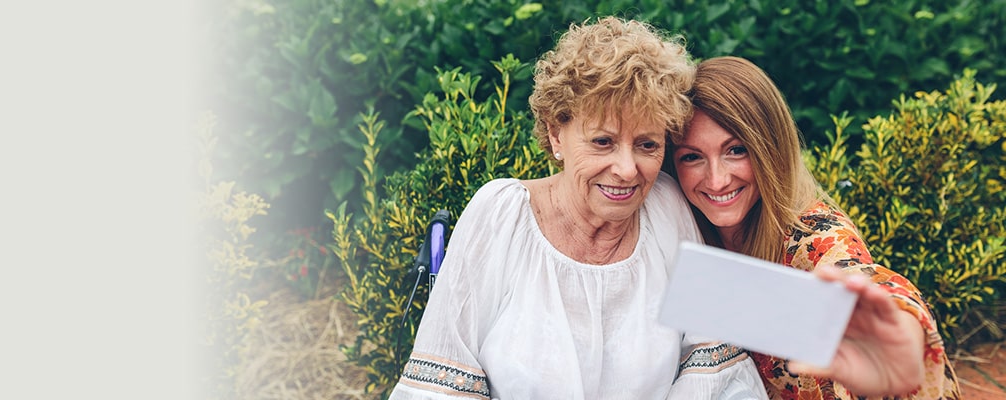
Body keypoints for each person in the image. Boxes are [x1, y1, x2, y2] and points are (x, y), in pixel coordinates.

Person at [388, 17, 765, 399]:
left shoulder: (665, 206)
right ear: (556, 134)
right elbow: (438, 388)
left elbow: (719, 372)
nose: (626, 169)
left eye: (647, 145)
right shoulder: (501, 214)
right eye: (603, 141)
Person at [667, 56, 962, 399]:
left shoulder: (812, 236)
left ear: (770, 149)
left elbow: (861, 278)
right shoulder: (682, 230)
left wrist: (898, 335)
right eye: (691, 156)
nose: (716, 180)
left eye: (736, 150)